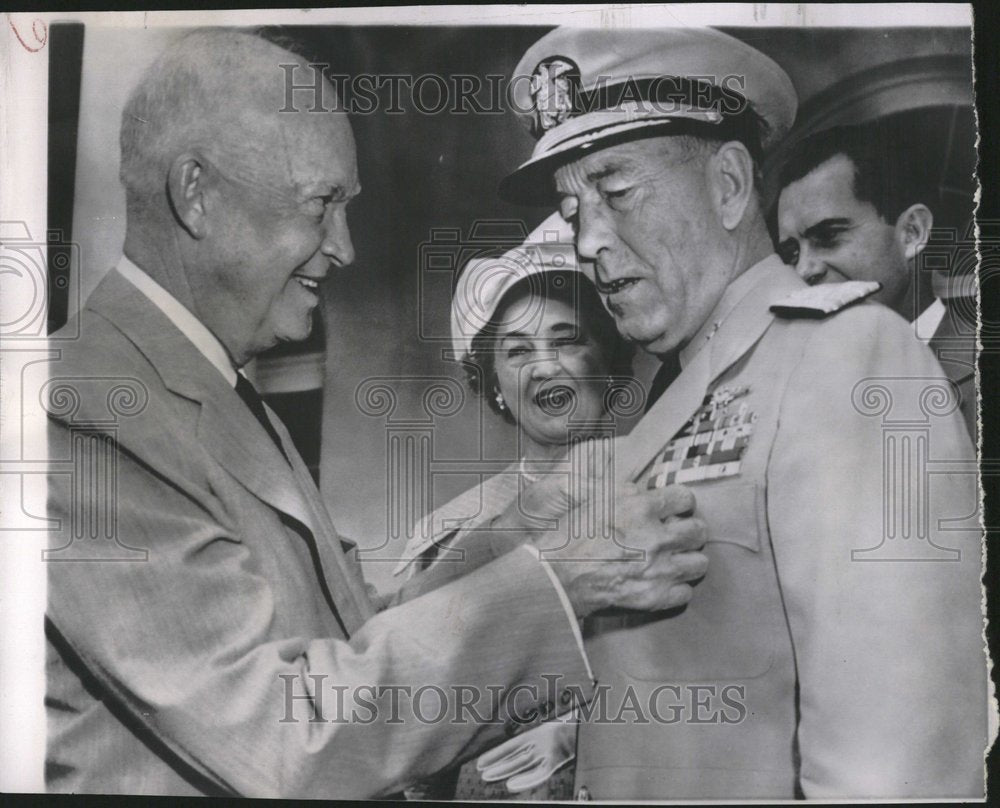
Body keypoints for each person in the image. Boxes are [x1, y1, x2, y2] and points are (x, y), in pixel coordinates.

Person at [43, 29, 712, 798]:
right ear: (197, 194)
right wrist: (561, 580)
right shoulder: (82, 406)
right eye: (322, 204)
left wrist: (519, 520)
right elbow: (283, 736)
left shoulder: (204, 388)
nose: (345, 246)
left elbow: (346, 635)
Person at [425, 26, 985, 799]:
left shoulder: (849, 359)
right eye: (571, 206)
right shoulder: (681, 394)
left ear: (727, 185)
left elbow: (894, 769)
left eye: (616, 192)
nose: (587, 240)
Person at [395, 214, 635, 799]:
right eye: (517, 350)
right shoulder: (447, 534)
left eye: (567, 339)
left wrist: (584, 731)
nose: (545, 366)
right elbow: (403, 710)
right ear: (495, 382)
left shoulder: (663, 481)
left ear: (608, 355)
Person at [775, 120, 977, 437]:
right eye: (791, 253)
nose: (804, 270)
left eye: (828, 236)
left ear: (912, 232)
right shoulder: (796, 390)